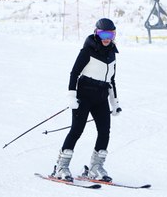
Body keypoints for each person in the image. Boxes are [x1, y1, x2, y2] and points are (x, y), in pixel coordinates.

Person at [51, 18, 122, 182]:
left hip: (101, 98)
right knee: (77, 130)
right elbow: (74, 73)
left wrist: (115, 103)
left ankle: (95, 167)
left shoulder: (112, 54)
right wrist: (71, 96)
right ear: (96, 33)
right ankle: (61, 167)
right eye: (103, 34)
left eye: (110, 35)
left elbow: (111, 80)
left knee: (104, 132)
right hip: (84, 97)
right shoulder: (87, 51)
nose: (106, 38)